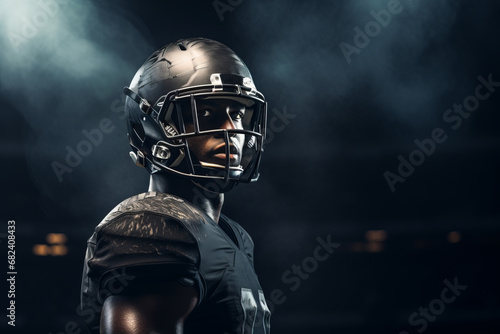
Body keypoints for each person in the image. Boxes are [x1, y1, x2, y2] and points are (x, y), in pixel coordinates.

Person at [80, 37, 271, 334]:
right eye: (207, 113)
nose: (233, 129)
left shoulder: (234, 236)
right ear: (152, 128)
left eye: (237, 113)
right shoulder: (151, 228)